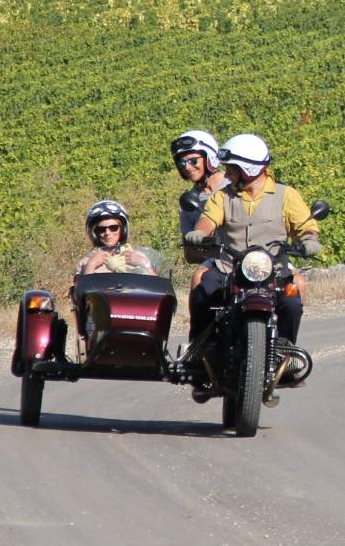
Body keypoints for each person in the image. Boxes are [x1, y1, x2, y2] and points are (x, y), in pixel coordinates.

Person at [182, 133, 320, 381]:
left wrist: (309, 239)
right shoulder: (222, 196)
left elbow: (305, 224)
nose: (228, 174)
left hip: (273, 268)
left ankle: (283, 353)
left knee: (291, 301)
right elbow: (208, 220)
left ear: (249, 169)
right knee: (203, 288)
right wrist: (199, 233)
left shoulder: (285, 195)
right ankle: (200, 350)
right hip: (230, 267)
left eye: (232, 169)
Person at [170, 129, 226, 268]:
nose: (187, 167)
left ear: (210, 158)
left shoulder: (234, 186)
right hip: (219, 267)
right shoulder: (189, 201)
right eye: (182, 163)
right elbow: (189, 254)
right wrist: (215, 255)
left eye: (193, 160)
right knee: (199, 279)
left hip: (254, 261)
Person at [77, 200, 157, 276]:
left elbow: (156, 286)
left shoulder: (137, 255)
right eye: (101, 229)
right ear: (95, 233)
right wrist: (91, 265)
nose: (107, 233)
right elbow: (80, 289)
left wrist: (145, 265)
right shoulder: (87, 261)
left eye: (113, 228)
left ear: (123, 230)